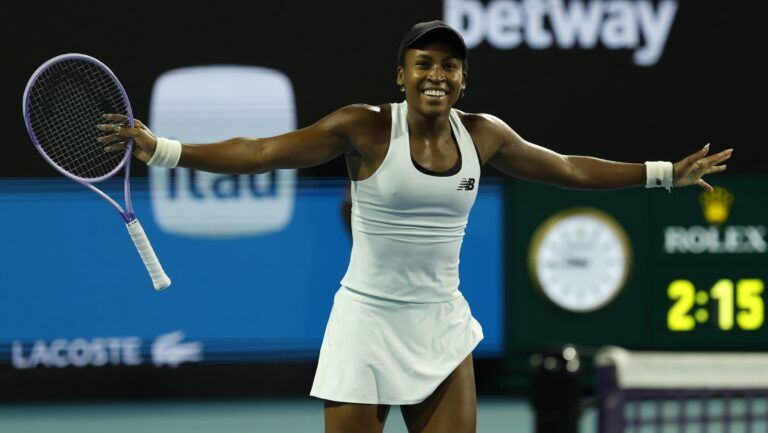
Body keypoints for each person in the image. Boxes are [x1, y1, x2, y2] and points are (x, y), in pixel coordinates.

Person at [99, 20, 732, 433]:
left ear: (463, 80)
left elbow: (566, 167)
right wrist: (166, 150)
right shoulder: (364, 126)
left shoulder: (484, 135)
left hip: (440, 324)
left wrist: (661, 174)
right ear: (401, 76)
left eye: (450, 66)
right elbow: (262, 152)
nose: (437, 74)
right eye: (423, 62)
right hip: (365, 322)